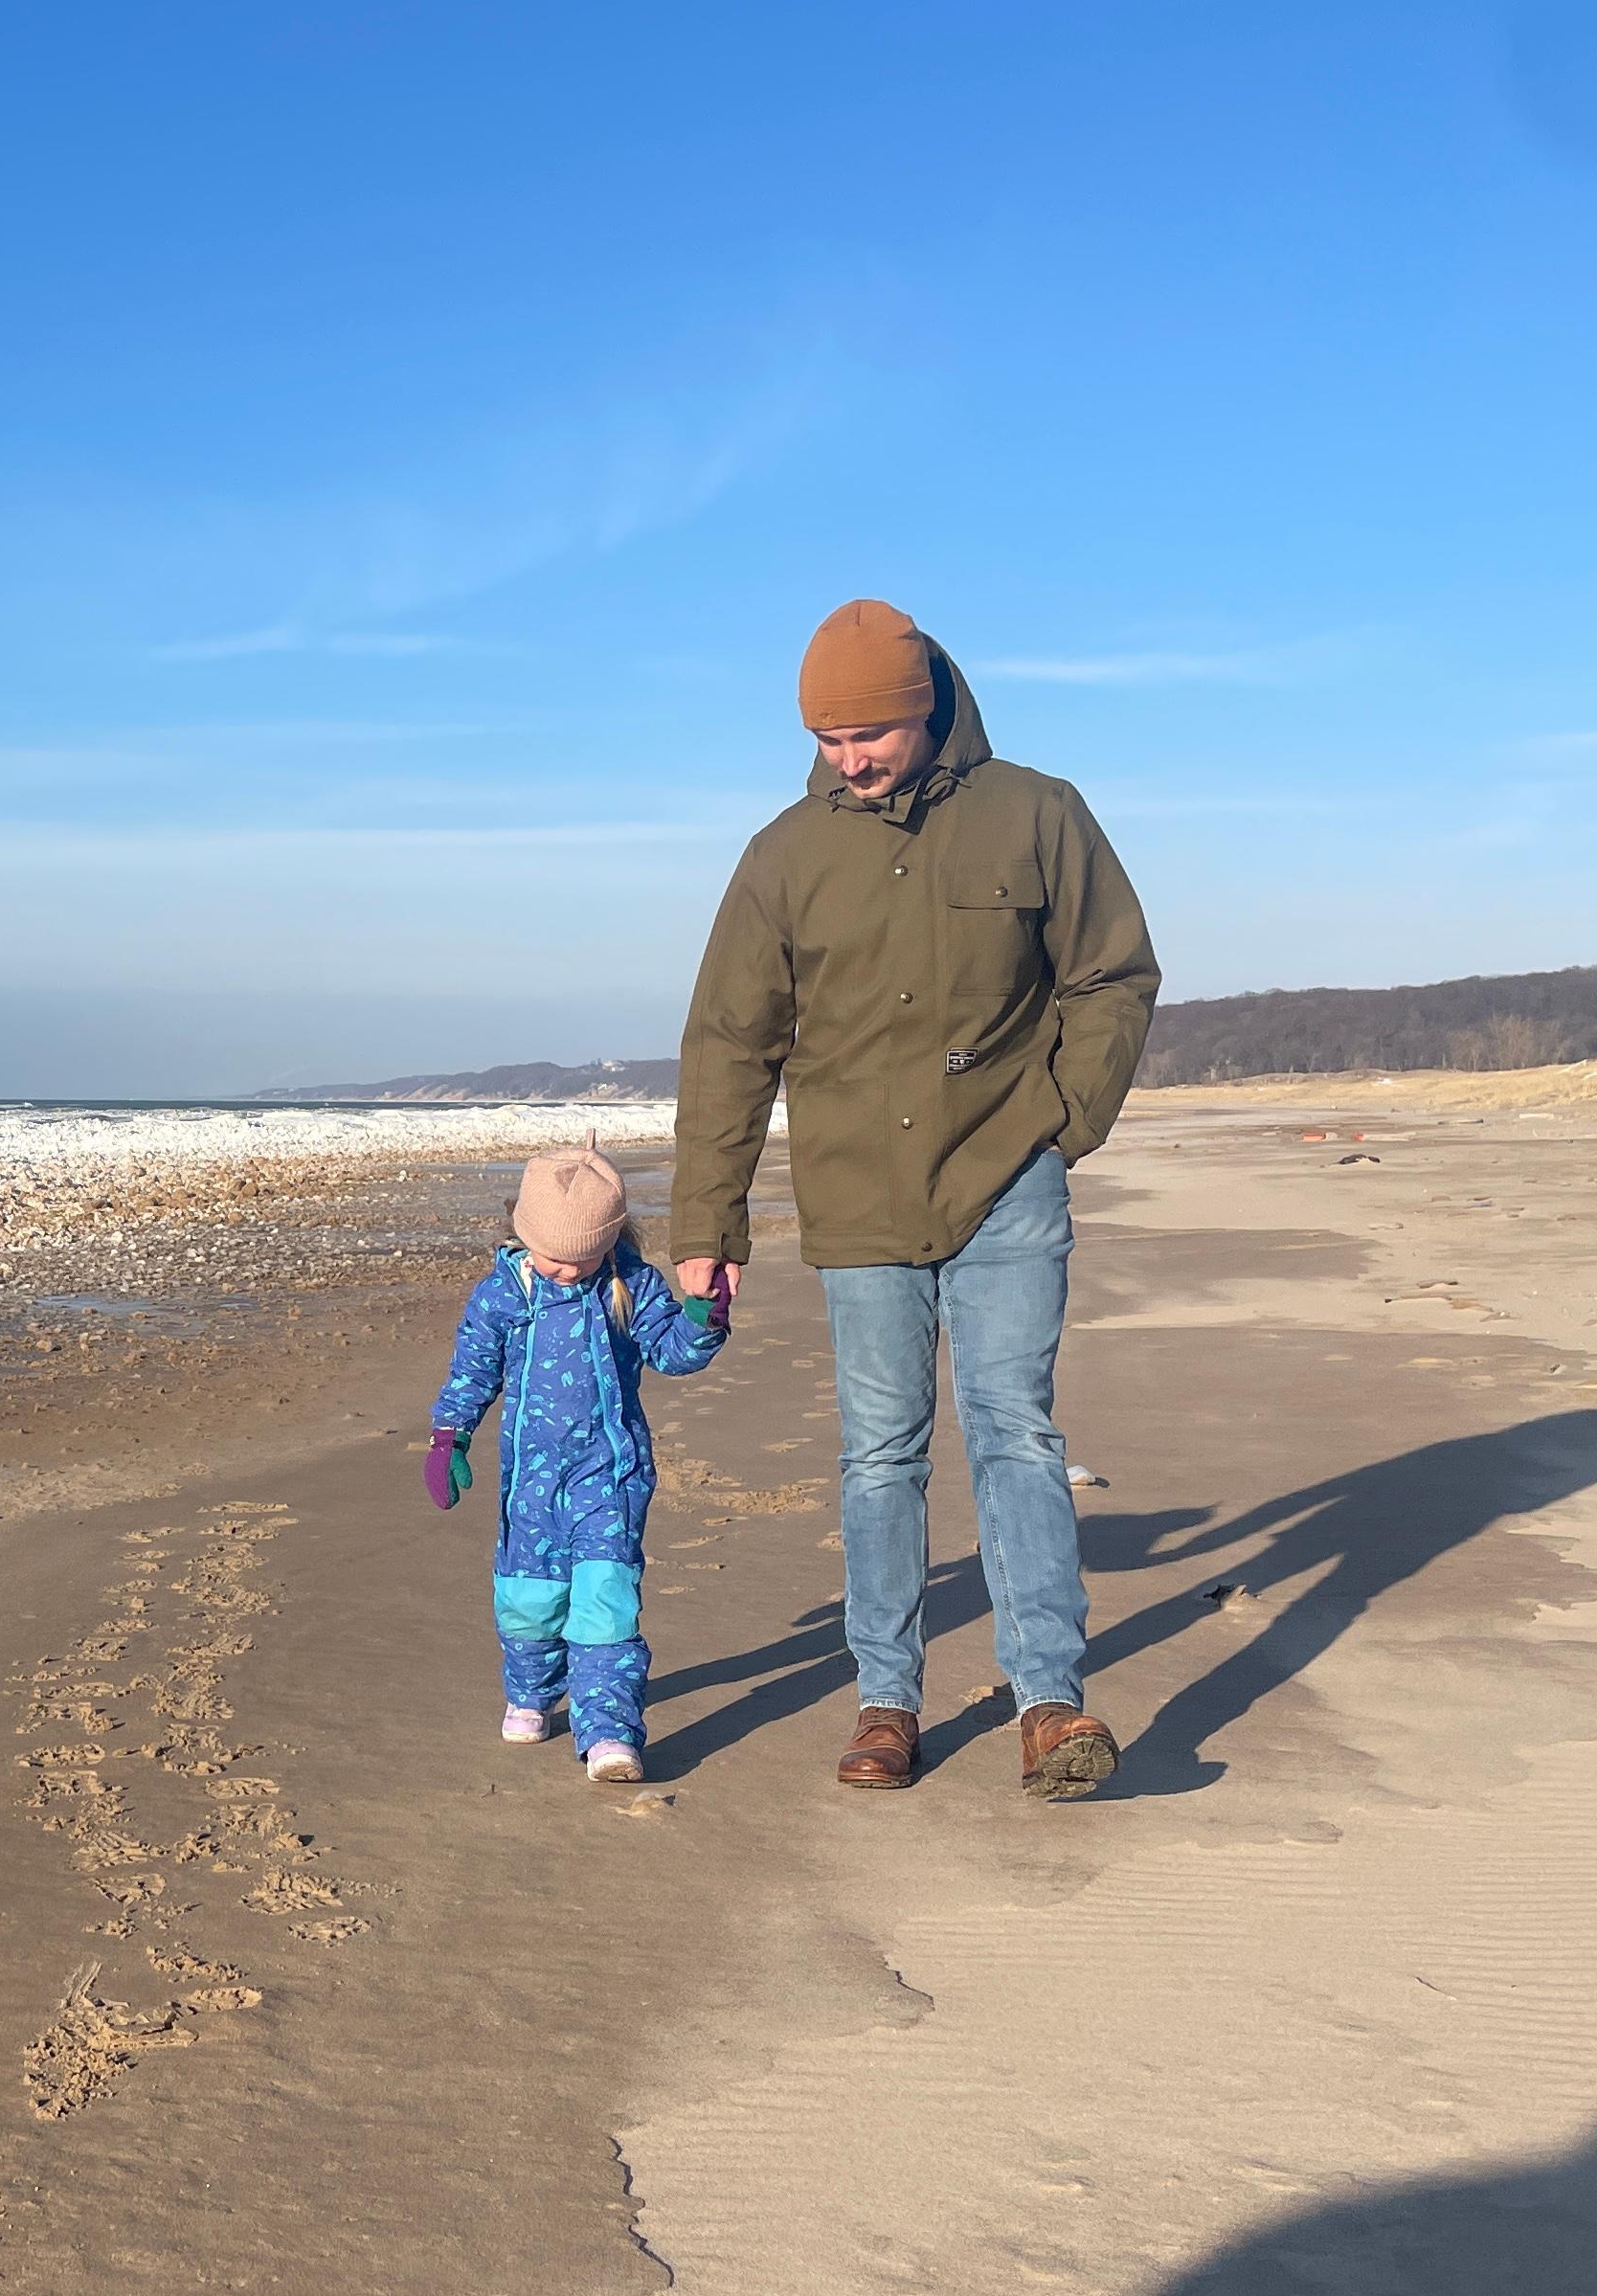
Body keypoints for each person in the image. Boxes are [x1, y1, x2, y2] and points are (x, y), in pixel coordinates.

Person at [669, 599, 1160, 1798]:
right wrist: (705, 1229)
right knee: (880, 1456)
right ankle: (886, 1703)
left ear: (927, 706)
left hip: (1005, 1175)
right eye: (832, 740)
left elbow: (1113, 975)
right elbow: (731, 1043)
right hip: (856, 1194)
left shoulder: (1039, 813)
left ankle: (1051, 1702)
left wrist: (1063, 1122)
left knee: (1015, 1433)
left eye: (873, 734)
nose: (854, 759)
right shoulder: (784, 855)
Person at [424, 1142, 723, 1785]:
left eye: (578, 1259)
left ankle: (610, 1733)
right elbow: (472, 1372)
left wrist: (702, 1317)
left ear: (608, 1241)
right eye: (550, 1256)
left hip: (610, 1476)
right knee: (529, 1600)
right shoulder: (504, 1293)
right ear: (523, 1234)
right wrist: (449, 1436)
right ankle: (531, 1693)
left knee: (605, 1600)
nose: (563, 1270)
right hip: (529, 1481)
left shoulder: (629, 1284)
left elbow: (672, 1353)